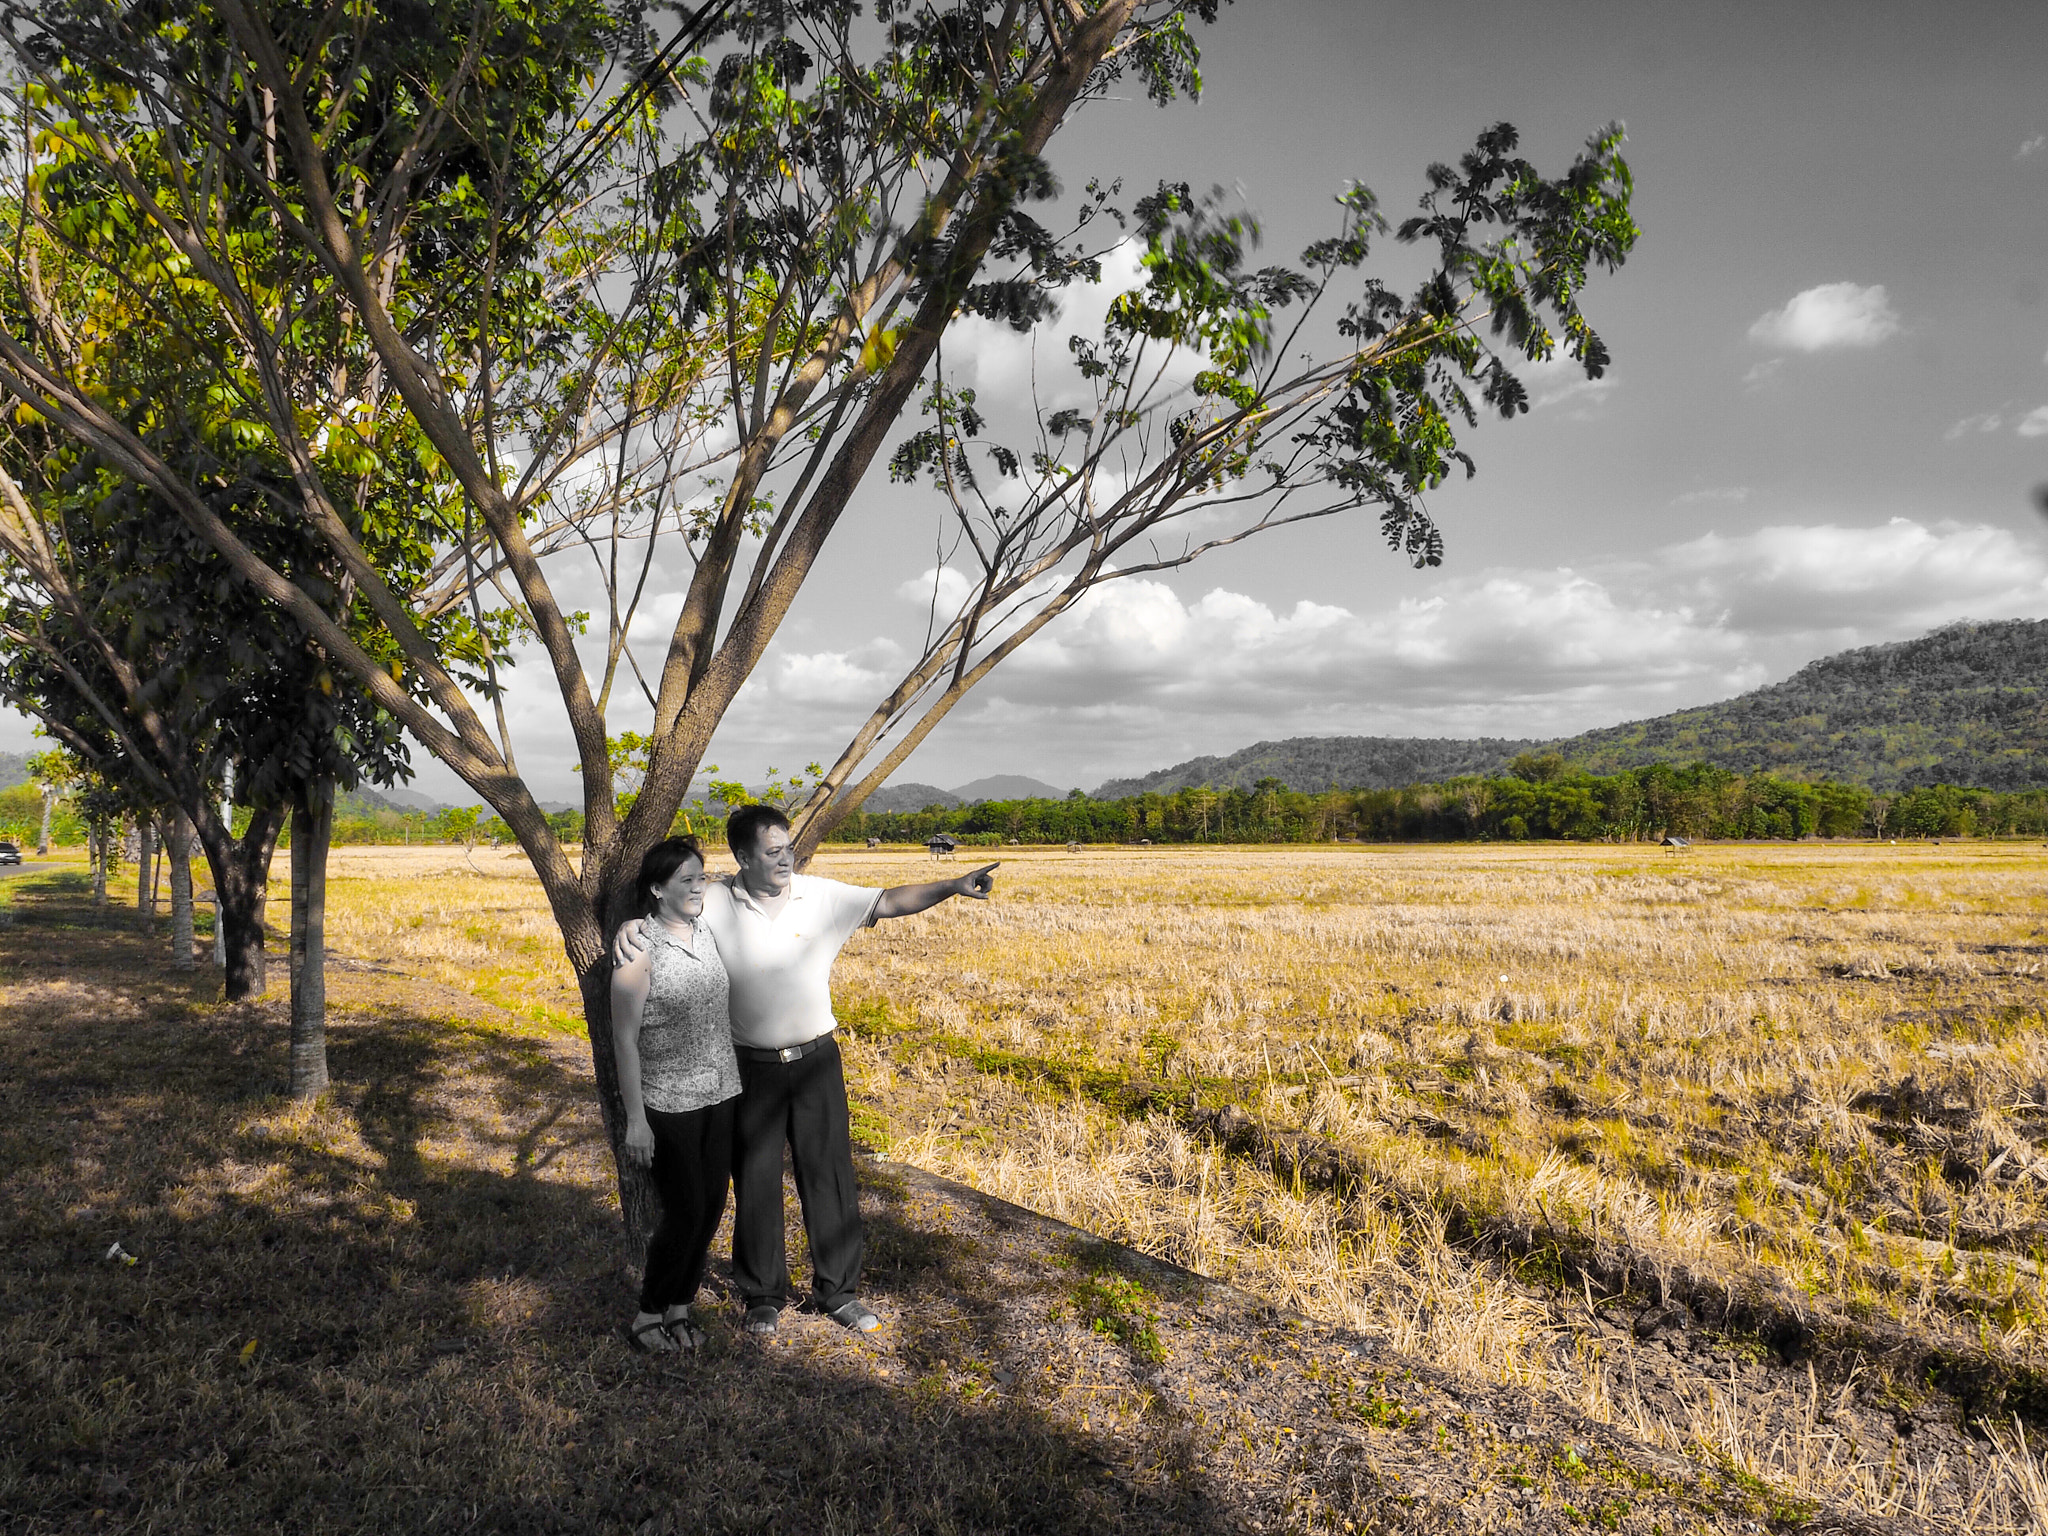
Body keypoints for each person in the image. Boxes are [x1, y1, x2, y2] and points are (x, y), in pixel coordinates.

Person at [616, 804, 995, 1336]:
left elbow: (889, 901)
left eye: (788, 848)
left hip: (816, 1060)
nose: (785, 859)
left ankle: (839, 1292)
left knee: (829, 1173)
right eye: (772, 852)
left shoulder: (821, 895)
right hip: (749, 1068)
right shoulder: (717, 899)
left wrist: (953, 884)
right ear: (743, 857)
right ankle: (762, 1295)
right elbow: (667, 910)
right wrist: (631, 926)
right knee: (755, 1182)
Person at [612, 835, 742, 1353]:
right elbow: (624, 1039)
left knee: (712, 1206)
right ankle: (649, 1313)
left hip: (721, 1092)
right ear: (657, 890)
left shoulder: (704, 929)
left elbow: (737, 883)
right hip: (668, 1102)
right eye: (685, 880)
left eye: (700, 877)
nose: (697, 887)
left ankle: (681, 1306)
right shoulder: (637, 950)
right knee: (685, 1212)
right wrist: (635, 1120)